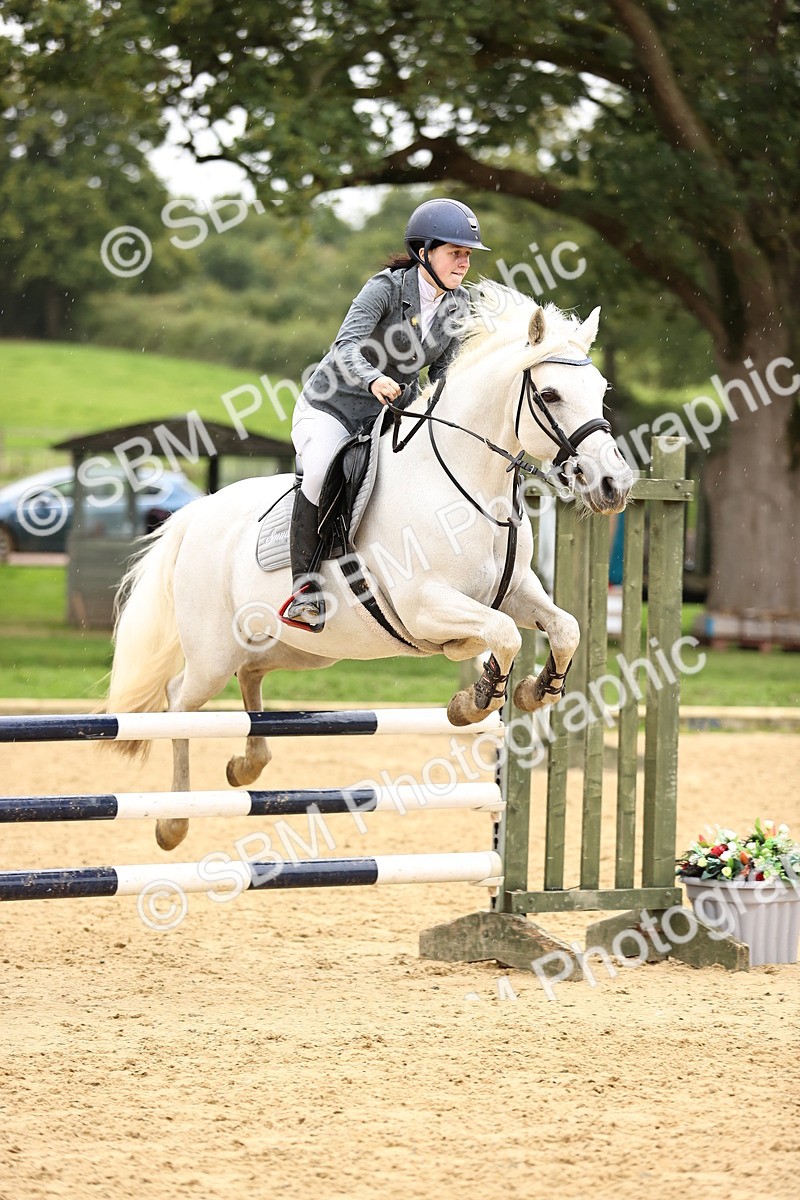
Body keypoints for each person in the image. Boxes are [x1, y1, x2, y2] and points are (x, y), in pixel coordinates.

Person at [279, 197, 490, 631]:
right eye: (455, 252)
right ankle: (305, 590)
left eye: (467, 255)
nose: (463, 262)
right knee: (319, 470)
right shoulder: (386, 289)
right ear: (424, 252)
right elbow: (345, 347)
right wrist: (374, 378)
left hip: (391, 413)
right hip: (333, 407)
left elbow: (443, 373)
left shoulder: (459, 305)